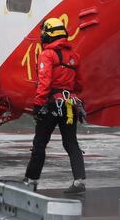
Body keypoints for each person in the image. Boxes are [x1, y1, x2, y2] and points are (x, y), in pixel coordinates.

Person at [23, 18, 87, 194]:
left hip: (51, 104)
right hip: (69, 104)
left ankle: (31, 180)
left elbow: (44, 82)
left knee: (40, 143)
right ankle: (79, 180)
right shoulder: (74, 56)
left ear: (48, 35)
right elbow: (80, 84)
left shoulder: (47, 55)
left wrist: (38, 105)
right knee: (71, 142)